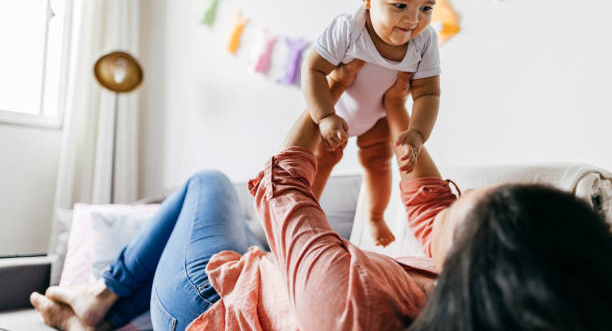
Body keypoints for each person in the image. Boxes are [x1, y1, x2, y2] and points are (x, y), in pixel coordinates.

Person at [31, 60, 612, 331]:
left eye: (470, 201)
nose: (451, 202)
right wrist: (404, 126)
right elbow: (433, 210)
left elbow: (282, 187)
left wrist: (328, 93)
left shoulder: (352, 303)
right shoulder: (477, 297)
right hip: (269, 283)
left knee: (206, 183)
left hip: (204, 308)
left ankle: (102, 296)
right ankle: (99, 307)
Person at [302, 0, 504, 247]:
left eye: (426, 7)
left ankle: (375, 216)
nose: (413, 19)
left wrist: (417, 132)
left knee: (379, 166)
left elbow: (427, 92)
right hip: (336, 108)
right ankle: (307, 217)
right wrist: (325, 115)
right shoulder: (349, 29)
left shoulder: (424, 42)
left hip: (378, 119)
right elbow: (312, 68)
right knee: (319, 163)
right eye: (400, 5)